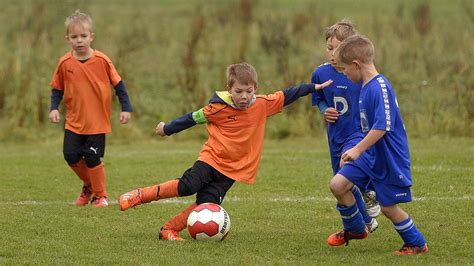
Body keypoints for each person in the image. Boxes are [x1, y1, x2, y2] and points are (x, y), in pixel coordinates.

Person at [119, 62, 332, 240]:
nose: (244, 96)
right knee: (187, 186)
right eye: (238, 91)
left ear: (255, 89)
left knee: (206, 204)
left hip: (232, 171)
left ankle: (169, 229)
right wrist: (166, 129)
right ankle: (139, 195)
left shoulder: (262, 105)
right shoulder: (217, 109)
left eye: (249, 91)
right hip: (211, 159)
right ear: (229, 89)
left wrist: (313, 87)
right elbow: (191, 119)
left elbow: (289, 94)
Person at [327, 35, 428, 255]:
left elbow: (382, 127)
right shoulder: (365, 86)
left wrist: (356, 149)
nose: (343, 73)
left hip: (387, 157)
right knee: (338, 185)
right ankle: (356, 229)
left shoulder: (379, 87)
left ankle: (416, 243)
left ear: (356, 65)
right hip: (369, 156)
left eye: (344, 69)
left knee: (389, 208)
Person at [49, 10, 132, 208]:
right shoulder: (65, 63)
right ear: (67, 38)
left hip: (97, 122)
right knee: (70, 155)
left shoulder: (102, 60)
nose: (79, 41)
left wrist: (125, 108)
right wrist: (54, 108)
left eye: (83, 36)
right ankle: (89, 185)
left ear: (91, 36)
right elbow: (56, 89)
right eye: (74, 37)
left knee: (92, 156)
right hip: (74, 122)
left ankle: (100, 195)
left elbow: (119, 85)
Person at [311, 19, 380, 232]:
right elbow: (319, 98)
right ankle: (365, 224)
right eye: (329, 48)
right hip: (335, 137)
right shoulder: (320, 73)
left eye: (338, 49)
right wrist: (325, 111)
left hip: (358, 134)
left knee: (350, 171)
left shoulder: (359, 73)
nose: (332, 54)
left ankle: (371, 191)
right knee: (343, 184)